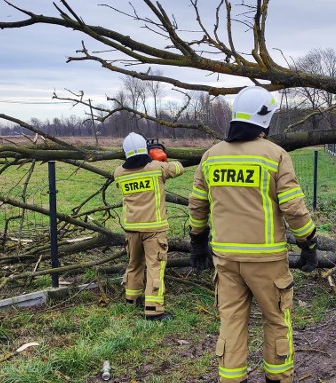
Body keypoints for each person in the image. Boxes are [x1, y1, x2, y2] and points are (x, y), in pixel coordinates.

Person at [188, 86, 318, 383]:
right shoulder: (275, 156)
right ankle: (278, 377)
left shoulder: (210, 157)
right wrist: (308, 242)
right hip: (267, 260)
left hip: (226, 260)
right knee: (276, 320)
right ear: (265, 117)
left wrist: (198, 243)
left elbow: (197, 205)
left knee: (231, 322)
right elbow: (293, 207)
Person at [114, 132, 184, 321]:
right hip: (154, 228)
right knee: (155, 266)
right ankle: (153, 309)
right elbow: (179, 168)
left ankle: (131, 299)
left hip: (132, 228)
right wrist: (160, 155)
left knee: (134, 264)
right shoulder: (156, 168)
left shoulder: (118, 173)